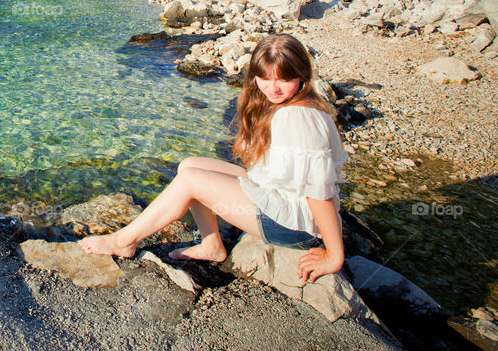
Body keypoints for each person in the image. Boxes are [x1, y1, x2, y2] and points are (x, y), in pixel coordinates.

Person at [78, 33, 347, 283]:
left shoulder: (298, 118)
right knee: (189, 165)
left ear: (302, 75)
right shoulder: (299, 104)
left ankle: (123, 241)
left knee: (191, 181)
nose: (273, 88)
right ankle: (211, 244)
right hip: (279, 197)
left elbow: (318, 191)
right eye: (265, 78)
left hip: (291, 225)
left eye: (283, 79)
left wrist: (334, 256)